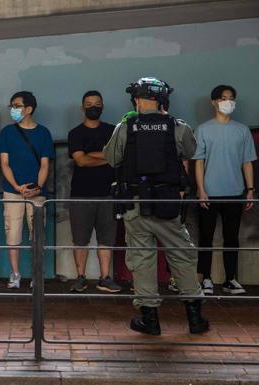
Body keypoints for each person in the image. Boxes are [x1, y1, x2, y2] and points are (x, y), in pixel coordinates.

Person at [104, 77, 209, 336]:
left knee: (142, 260)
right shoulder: (178, 127)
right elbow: (190, 151)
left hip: (136, 205)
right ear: (164, 100)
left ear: (137, 100)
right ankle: (195, 319)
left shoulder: (126, 126)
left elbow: (111, 158)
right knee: (182, 256)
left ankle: (150, 320)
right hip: (168, 204)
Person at [194, 85, 256, 295]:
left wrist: (250, 189)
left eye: (231, 98)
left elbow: (247, 162)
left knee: (232, 238)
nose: (227, 102)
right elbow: (199, 162)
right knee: (206, 237)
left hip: (235, 191)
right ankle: (206, 279)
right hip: (209, 192)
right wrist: (201, 190)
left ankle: (231, 279)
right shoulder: (203, 129)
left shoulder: (242, 130)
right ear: (214, 102)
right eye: (223, 98)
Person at [0, 91, 53, 289]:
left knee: (37, 234)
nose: (13, 109)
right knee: (12, 234)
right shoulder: (6, 133)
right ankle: (15, 273)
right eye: (12, 105)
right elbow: (4, 164)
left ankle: (37, 276)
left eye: (17, 105)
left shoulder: (43, 133)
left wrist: (37, 188)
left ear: (29, 109)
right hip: (13, 191)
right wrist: (16, 186)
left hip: (37, 193)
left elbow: (45, 165)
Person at [67, 90, 121, 293]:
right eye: (89, 104)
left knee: (106, 239)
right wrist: (106, 156)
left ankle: (105, 278)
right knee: (80, 239)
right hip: (81, 194)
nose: (93, 107)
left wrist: (94, 155)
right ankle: (80, 278)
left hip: (109, 193)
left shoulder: (113, 131)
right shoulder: (75, 133)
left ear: (103, 106)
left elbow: (117, 157)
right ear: (83, 107)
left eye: (97, 103)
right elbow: (80, 160)